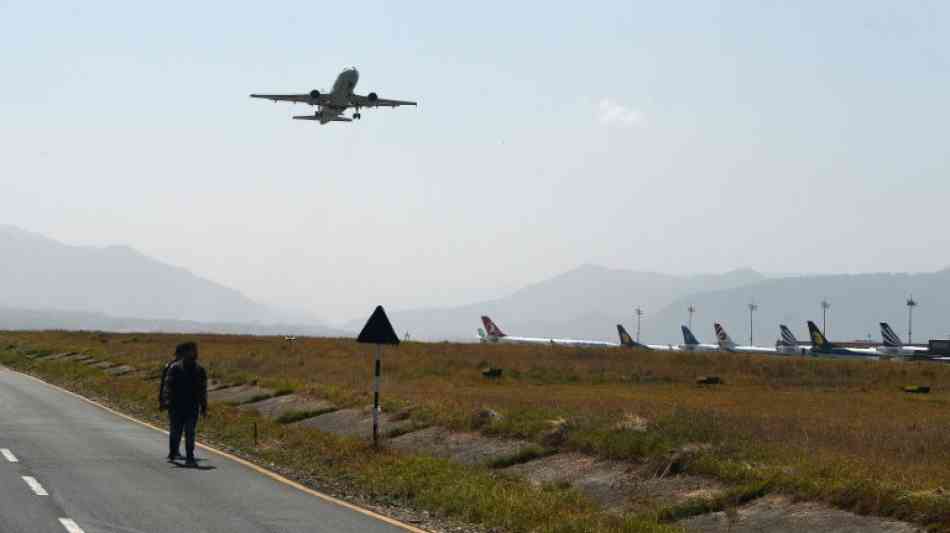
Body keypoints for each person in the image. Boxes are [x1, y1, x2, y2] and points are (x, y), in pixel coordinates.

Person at [162, 342, 208, 467]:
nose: (195, 353)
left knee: (190, 432)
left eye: (195, 351)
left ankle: (190, 457)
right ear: (185, 353)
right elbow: (167, 386)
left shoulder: (200, 370)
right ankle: (173, 452)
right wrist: (166, 400)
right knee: (175, 431)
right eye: (192, 351)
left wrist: (204, 406)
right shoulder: (175, 368)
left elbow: (203, 390)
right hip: (176, 406)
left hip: (192, 407)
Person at [158, 346, 184, 460]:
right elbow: (164, 385)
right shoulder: (171, 367)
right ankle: (174, 451)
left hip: (180, 401)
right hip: (174, 401)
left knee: (176, 428)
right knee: (176, 427)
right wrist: (162, 400)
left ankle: (174, 451)